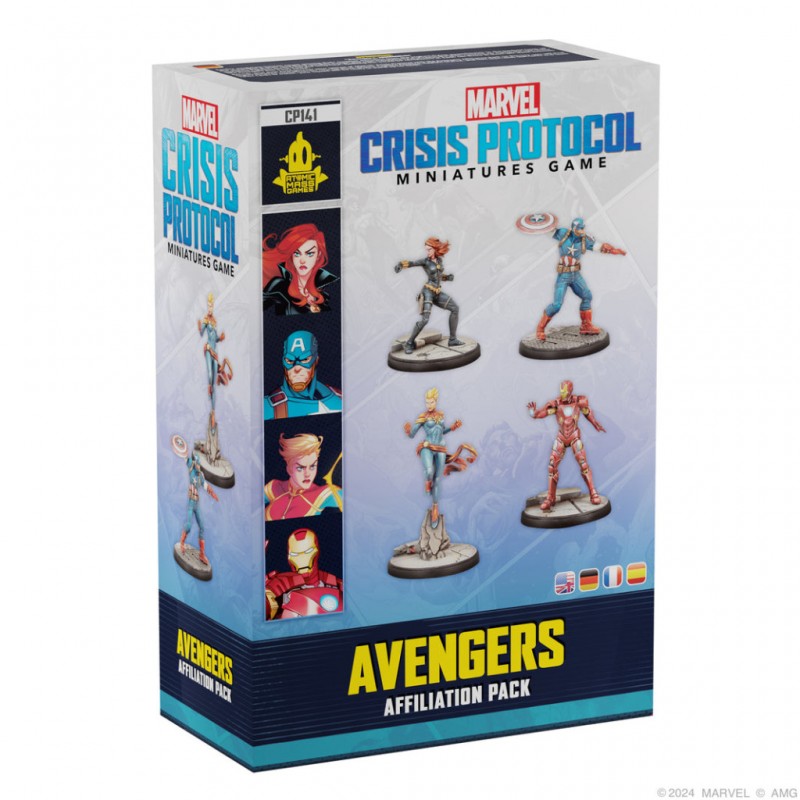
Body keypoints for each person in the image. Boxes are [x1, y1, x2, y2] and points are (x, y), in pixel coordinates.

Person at [535, 217, 626, 341]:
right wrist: (540, 222)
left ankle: (586, 326)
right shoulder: (563, 234)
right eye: (579, 229)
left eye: (582, 228)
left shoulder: (585, 240)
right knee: (556, 305)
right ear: (573, 228)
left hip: (575, 275)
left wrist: (614, 250)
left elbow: (600, 247)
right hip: (563, 276)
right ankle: (540, 328)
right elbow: (548, 230)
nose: (581, 231)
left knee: (587, 296)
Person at [394, 237, 463, 354]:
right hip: (428, 292)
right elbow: (412, 263)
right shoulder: (425, 262)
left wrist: (447, 277)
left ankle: (452, 339)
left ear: (435, 249)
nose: (427, 252)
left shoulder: (439, 261)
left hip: (437, 292)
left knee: (455, 308)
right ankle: (409, 343)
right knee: (425, 319)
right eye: (426, 249)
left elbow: (438, 276)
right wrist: (400, 264)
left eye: (429, 249)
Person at [262, 223, 338, 314]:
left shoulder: (327, 290)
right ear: (291, 256)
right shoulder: (279, 286)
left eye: (309, 253)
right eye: (297, 254)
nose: (302, 261)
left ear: (318, 255)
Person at [264, 330, 342, 419]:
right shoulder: (268, 408)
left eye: (304, 359)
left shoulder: (339, 398)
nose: (297, 369)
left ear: (316, 360)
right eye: (290, 361)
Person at [264, 433, 342, 520]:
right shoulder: (274, 487)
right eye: (300, 468)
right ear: (289, 468)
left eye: (312, 466)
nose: (308, 474)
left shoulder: (324, 494)